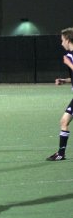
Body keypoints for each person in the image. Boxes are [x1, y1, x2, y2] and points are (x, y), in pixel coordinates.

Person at [46, 27, 73, 161]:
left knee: (64, 121)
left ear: (68, 40)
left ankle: (61, 154)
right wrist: (65, 80)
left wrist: (69, 63)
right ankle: (61, 154)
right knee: (64, 121)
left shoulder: (69, 57)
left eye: (62, 40)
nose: (61, 43)